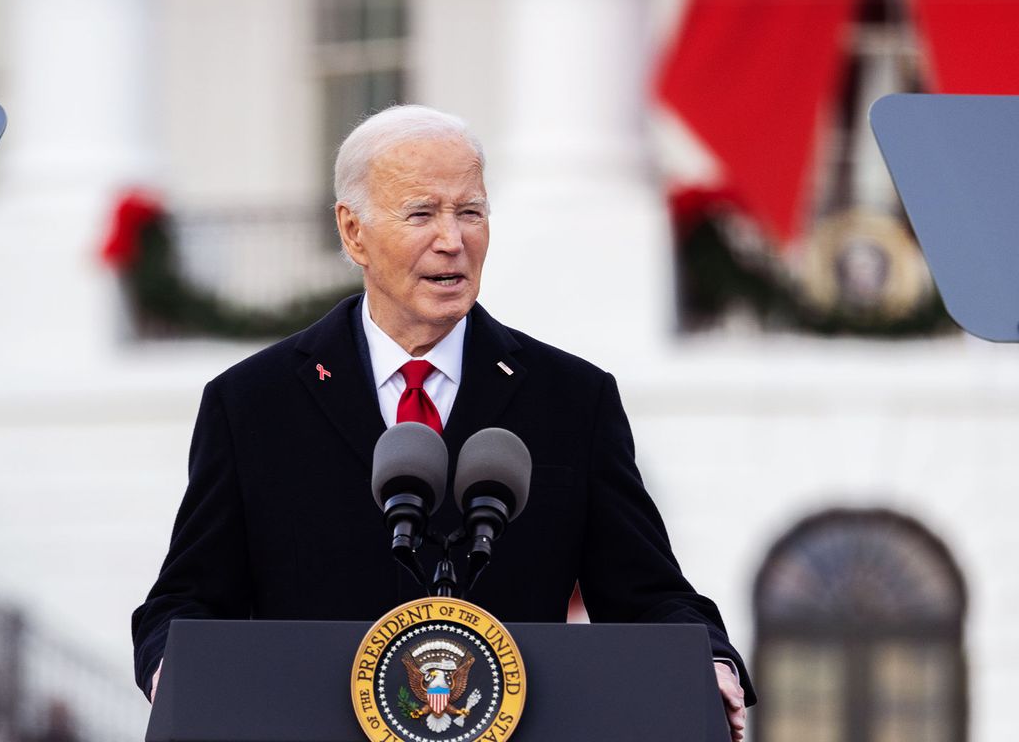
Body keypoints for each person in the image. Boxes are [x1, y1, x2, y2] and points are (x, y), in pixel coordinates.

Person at [132, 105, 755, 739]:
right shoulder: (253, 404)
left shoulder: (571, 399)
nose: (452, 240)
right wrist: (171, 672)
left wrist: (708, 660)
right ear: (354, 234)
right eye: (422, 213)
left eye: (471, 212)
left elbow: (647, 592)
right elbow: (188, 598)